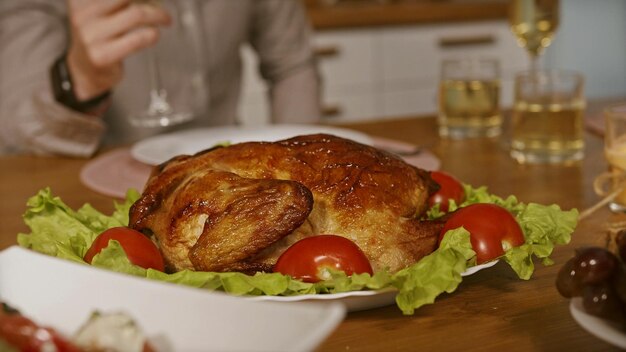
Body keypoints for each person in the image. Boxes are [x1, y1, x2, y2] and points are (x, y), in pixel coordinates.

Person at [0, 0, 321, 157]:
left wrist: (299, 163)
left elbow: (292, 65)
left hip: (225, 180)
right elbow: (16, 128)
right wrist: (79, 80)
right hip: (95, 190)